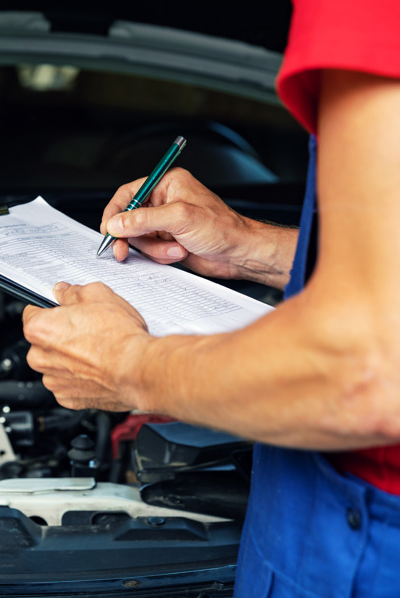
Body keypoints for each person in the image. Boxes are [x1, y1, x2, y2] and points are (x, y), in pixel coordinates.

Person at [21, 1, 400, 595]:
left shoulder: (369, 13)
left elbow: (365, 372)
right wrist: (248, 247)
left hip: (362, 545)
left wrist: (128, 366)